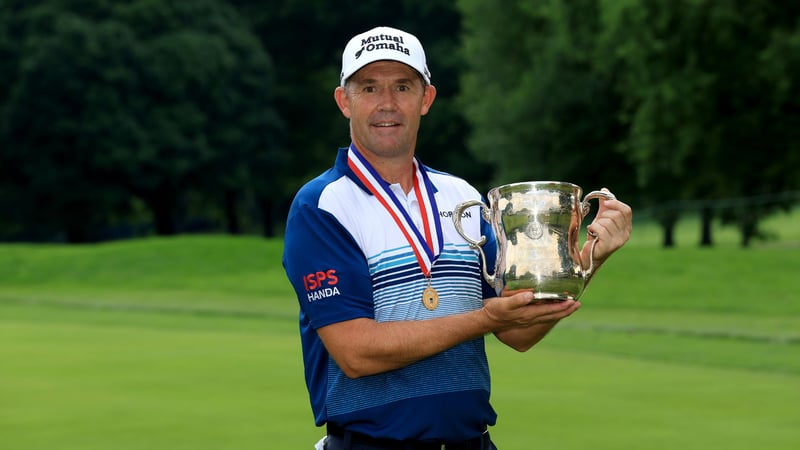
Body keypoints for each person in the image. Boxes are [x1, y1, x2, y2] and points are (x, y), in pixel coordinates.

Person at [282, 26, 633, 450]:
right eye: (370, 88)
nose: (387, 103)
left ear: (426, 98)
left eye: (403, 87)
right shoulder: (322, 205)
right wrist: (483, 319)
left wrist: (586, 259)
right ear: (345, 101)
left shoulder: (463, 197)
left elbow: (518, 332)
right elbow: (357, 353)